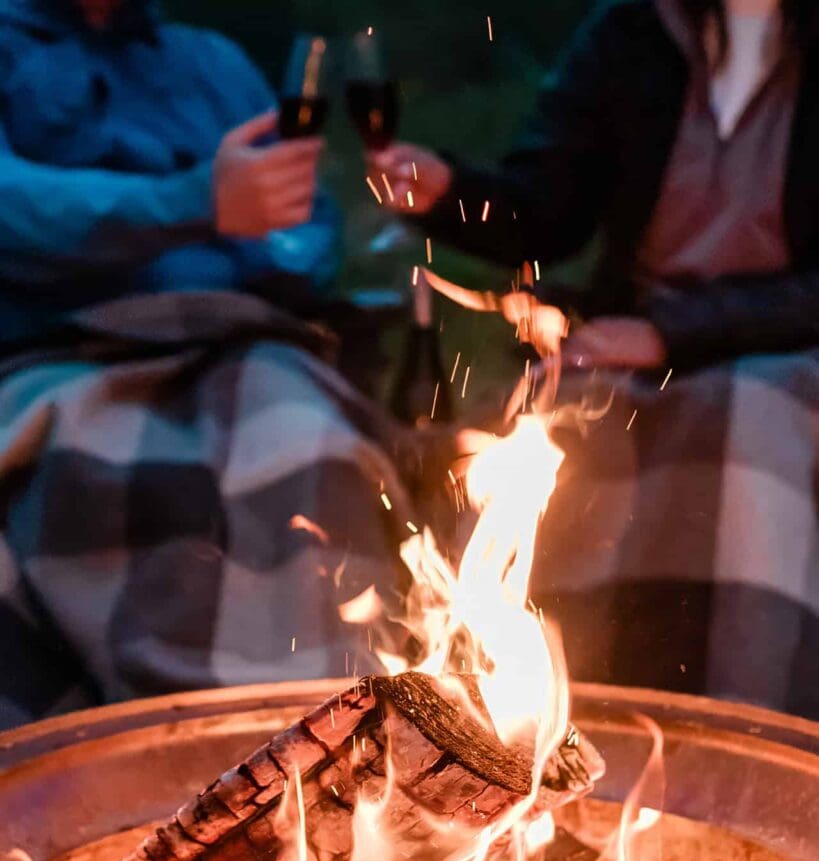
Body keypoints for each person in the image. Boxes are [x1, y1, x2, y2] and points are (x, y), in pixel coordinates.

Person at [374, 0, 819, 718]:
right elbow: (547, 209)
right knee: (565, 423)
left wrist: (670, 335)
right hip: (633, 335)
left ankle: (751, 720)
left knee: (753, 421)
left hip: (787, 343)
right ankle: (560, 721)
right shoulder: (636, 30)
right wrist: (449, 192)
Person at [0, 0, 416, 726]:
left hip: (238, 342)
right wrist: (194, 201)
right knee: (102, 471)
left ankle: (325, 739)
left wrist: (283, 240)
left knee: (310, 447)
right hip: (60, 351)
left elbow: (308, 224)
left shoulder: (210, 61)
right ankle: (154, 747)